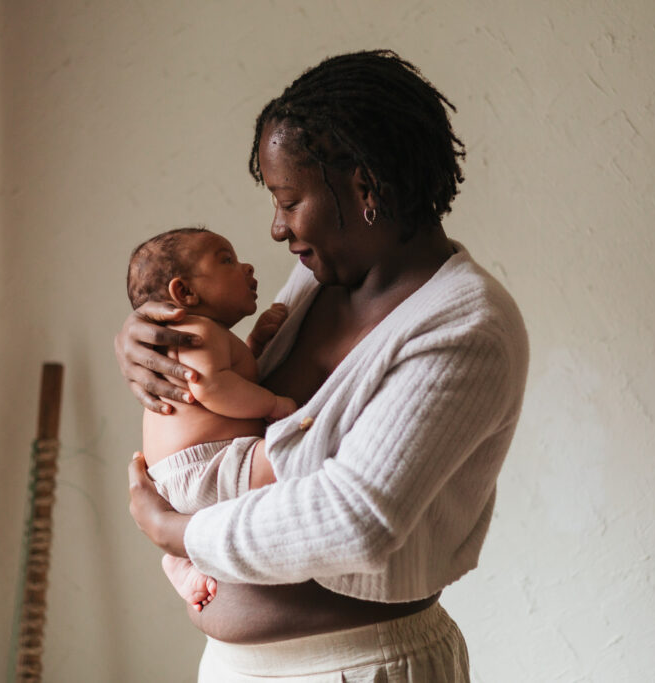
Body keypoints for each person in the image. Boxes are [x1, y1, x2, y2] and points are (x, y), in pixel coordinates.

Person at [116, 50, 529, 681]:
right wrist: (146, 334)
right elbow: (232, 372)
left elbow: (354, 519)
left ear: (365, 188)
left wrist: (174, 532)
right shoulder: (319, 282)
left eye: (288, 200)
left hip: (362, 667)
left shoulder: (467, 326)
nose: (277, 229)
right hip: (231, 667)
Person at [126, 226, 295, 611]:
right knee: (289, 457)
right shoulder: (196, 331)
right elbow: (211, 387)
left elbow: (230, 378)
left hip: (181, 475)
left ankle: (181, 559)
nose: (246, 267)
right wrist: (273, 405)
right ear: (185, 292)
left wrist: (256, 344)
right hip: (205, 464)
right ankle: (184, 555)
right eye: (226, 260)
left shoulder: (199, 336)